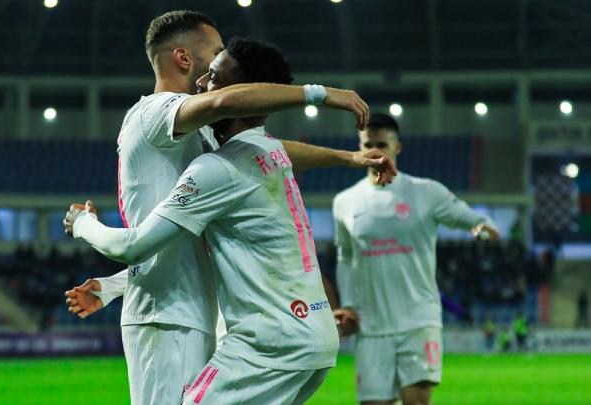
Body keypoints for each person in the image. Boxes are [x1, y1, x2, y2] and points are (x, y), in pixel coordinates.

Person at [62, 10, 396, 405]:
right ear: (183, 58)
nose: (211, 73)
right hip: (166, 313)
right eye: (215, 52)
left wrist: (348, 158)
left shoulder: (219, 153)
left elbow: (258, 145)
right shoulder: (156, 113)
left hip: (208, 314)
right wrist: (318, 94)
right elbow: (228, 105)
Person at [332, 113, 499, 405]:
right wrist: (347, 304)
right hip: (371, 326)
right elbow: (345, 258)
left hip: (418, 320)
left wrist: (483, 228)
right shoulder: (345, 202)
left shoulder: (426, 192)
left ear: (397, 147)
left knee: (416, 401)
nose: (374, 151)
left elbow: (473, 220)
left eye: (382, 144)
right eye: (367, 145)